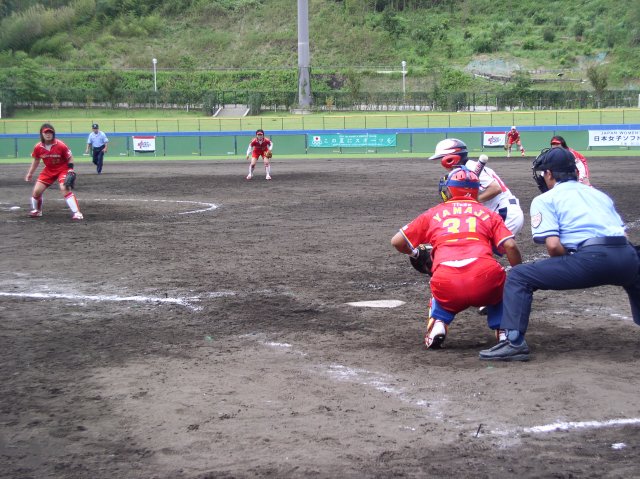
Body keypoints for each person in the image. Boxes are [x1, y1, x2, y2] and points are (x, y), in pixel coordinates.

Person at [479, 147, 640, 362]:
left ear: (549, 174)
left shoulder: (545, 199)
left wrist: (575, 260)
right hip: (626, 256)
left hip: (592, 260)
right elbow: (621, 232)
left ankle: (514, 342)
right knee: (635, 275)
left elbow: (553, 247)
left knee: (519, 276)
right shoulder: (598, 194)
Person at [391, 166, 522, 349]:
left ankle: (438, 325)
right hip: (484, 278)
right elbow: (510, 245)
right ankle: (503, 331)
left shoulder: (434, 212)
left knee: (438, 284)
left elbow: (397, 241)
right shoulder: (489, 214)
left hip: (447, 282)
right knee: (502, 283)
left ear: (449, 190)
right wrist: (519, 273)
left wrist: (415, 253)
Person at [429, 138, 524, 236]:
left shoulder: (471, 168)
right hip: (501, 212)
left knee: (478, 247)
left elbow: (495, 188)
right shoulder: (466, 170)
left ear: (450, 158)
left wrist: (473, 201)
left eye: (442, 159)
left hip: (504, 213)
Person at [25, 123, 83, 220]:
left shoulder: (60, 145)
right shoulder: (38, 147)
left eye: (50, 132)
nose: (48, 134)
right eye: (46, 132)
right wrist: (30, 173)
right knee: (36, 191)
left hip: (62, 169)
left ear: (53, 134)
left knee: (64, 188)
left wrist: (70, 170)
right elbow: (36, 160)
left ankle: (77, 213)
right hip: (49, 169)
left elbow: (70, 158)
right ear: (41, 134)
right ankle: (37, 211)